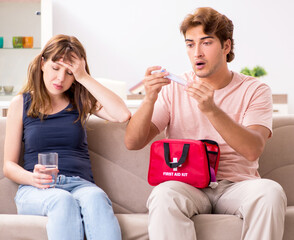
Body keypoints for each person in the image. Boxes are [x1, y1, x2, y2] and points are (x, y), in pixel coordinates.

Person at [124, 7, 287, 240]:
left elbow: (253, 149)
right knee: (163, 195)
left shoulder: (254, 90)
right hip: (186, 184)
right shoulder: (174, 88)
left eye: (206, 43)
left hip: (237, 186)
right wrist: (149, 98)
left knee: (270, 192)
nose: (197, 53)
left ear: (226, 46)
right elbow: (132, 142)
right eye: (190, 44)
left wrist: (211, 109)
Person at [3, 34, 131, 240]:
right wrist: (33, 178)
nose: (61, 79)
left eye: (69, 73)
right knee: (62, 201)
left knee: (97, 197)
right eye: (56, 68)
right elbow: (8, 166)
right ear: (43, 63)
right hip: (37, 189)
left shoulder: (80, 100)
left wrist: (84, 77)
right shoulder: (22, 103)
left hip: (81, 185)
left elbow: (122, 114)